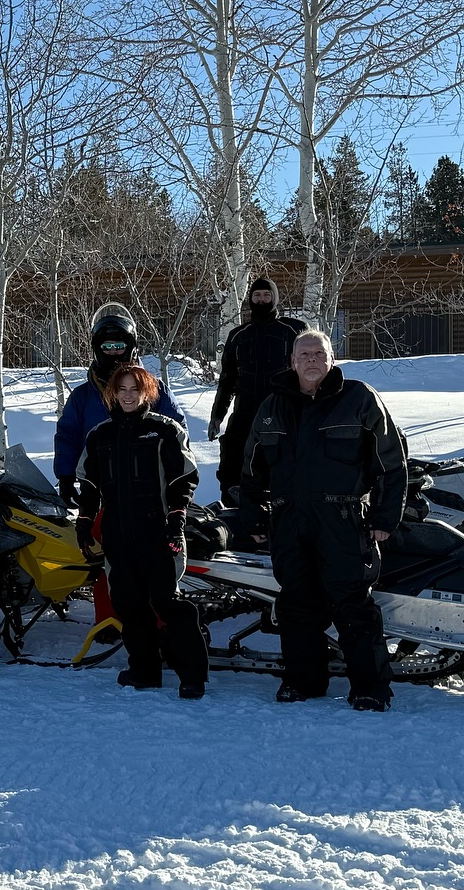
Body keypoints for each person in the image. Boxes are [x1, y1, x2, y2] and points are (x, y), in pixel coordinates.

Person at [241, 329, 407, 711]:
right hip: (289, 521)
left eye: (319, 353)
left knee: (352, 604)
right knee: (296, 604)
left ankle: (370, 687)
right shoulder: (271, 407)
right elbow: (250, 471)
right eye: (304, 354)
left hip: (344, 519)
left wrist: (384, 516)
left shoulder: (359, 399)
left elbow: (391, 464)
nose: (311, 360)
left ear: (332, 358)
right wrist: (253, 518)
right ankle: (303, 681)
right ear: (292, 361)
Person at [77, 364, 207, 698]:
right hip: (118, 532)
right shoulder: (99, 436)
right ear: (113, 394)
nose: (129, 396)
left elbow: (184, 479)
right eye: (122, 390)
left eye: (135, 389)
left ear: (146, 391)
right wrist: (83, 522)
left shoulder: (165, 431)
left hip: (159, 530)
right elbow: (89, 485)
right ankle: (144, 670)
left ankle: (192, 675)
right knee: (129, 603)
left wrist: (176, 519)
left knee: (167, 603)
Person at [53, 303, 183, 634]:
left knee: (152, 562)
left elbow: (177, 429)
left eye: (119, 346)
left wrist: (175, 474)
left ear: (132, 347)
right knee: (106, 560)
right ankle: (110, 621)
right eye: (107, 347)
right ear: (96, 349)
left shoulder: (151, 388)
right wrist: (66, 475)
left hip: (149, 493)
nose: (113, 353)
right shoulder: (83, 396)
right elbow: (68, 434)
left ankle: (158, 623)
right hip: (104, 493)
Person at [208, 277, 306, 503]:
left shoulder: (294, 330)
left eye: (266, 295)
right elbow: (227, 380)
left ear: (275, 298)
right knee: (234, 464)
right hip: (245, 413)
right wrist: (217, 416)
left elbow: (310, 371)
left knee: (282, 465)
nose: (261, 300)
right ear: (250, 299)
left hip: (284, 412)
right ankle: (235, 514)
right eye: (257, 295)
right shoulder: (238, 335)